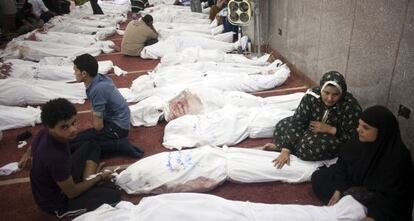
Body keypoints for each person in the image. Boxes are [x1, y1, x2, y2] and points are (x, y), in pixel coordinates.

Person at [18, 98, 121, 218]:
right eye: (64, 127)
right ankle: (89, 182)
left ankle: (88, 180)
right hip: (58, 202)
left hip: (59, 180)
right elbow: (72, 193)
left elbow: (31, 148)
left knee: (92, 145)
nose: (73, 130)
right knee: (114, 195)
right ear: (50, 127)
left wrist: (27, 155)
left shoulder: (44, 132)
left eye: (73, 123)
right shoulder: (56, 157)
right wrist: (100, 177)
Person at [311, 105, 414, 221]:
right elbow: (342, 163)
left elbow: (395, 198)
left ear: (382, 131)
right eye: (359, 125)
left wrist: (374, 216)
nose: (358, 130)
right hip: (354, 185)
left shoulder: (398, 158)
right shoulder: (358, 140)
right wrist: (338, 189)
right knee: (318, 178)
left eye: (366, 127)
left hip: (375, 199)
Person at [265, 71, 362, 168]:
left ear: (342, 93)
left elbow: (354, 136)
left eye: (335, 94)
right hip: (310, 129)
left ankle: (286, 146)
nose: (329, 98)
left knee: (309, 148)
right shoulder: (312, 97)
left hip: (333, 137)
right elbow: (298, 122)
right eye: (326, 93)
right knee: (282, 125)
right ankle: (287, 147)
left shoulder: (350, 106)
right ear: (321, 89)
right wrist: (285, 150)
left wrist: (330, 129)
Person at [70, 53, 144, 158]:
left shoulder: (97, 89)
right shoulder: (99, 78)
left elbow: (98, 126)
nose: (74, 73)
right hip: (117, 123)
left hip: (118, 129)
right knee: (79, 138)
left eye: (76, 70)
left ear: (84, 74)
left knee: (83, 145)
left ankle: (119, 145)